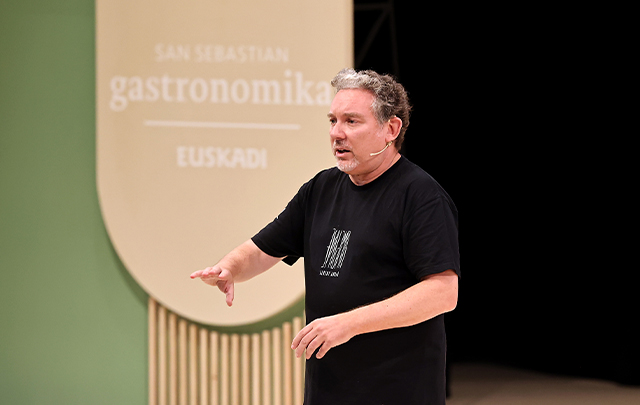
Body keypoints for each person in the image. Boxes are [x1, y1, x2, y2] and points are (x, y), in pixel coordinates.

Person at [191, 68, 460, 405]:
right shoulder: (320, 188)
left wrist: (348, 324)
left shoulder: (421, 196)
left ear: (391, 129)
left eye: (351, 121)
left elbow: (443, 292)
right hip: (328, 389)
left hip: (398, 389)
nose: (336, 133)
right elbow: (262, 249)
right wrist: (230, 267)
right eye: (333, 121)